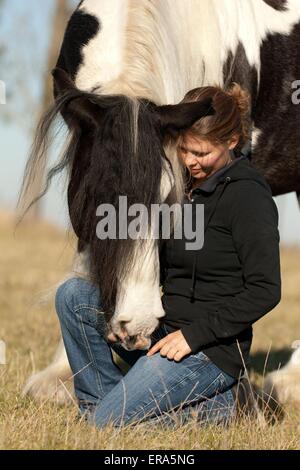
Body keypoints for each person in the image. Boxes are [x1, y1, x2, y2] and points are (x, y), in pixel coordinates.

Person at [55, 83, 281, 428]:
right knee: (73, 297)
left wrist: (194, 336)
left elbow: (265, 289)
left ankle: (218, 409)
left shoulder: (249, 198)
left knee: (108, 423)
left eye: (201, 154)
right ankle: (102, 409)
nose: (190, 162)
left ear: (232, 142)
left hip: (208, 351)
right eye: (184, 151)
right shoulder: (180, 191)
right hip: (164, 335)